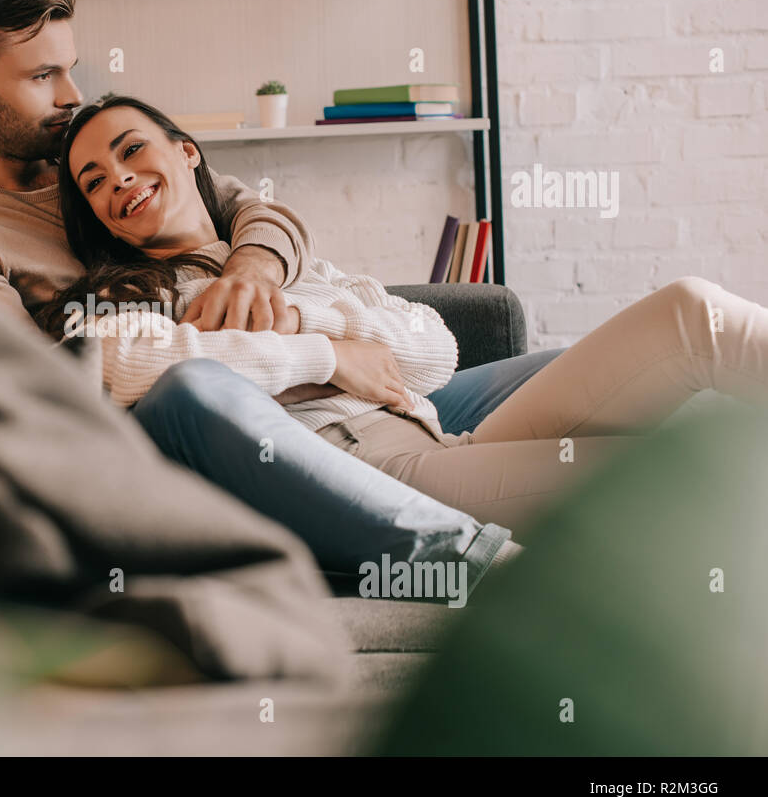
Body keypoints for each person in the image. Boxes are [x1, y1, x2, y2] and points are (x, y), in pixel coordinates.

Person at [0, 0, 554, 585]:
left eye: (70, 70)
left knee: (580, 374)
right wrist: (318, 355)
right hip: (223, 426)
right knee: (189, 391)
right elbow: (41, 393)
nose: (72, 95)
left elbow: (257, 212)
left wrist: (250, 273)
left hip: (326, 390)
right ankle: (475, 562)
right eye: (44, 75)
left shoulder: (98, 149)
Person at [39, 93, 768, 540]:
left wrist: (311, 320)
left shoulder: (290, 264)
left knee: (691, 311)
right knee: (676, 479)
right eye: (96, 182)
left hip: (438, 425)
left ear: (187, 151)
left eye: (131, 151)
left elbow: (432, 348)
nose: (120, 181)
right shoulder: (134, 295)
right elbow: (123, 367)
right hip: (372, 470)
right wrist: (324, 356)